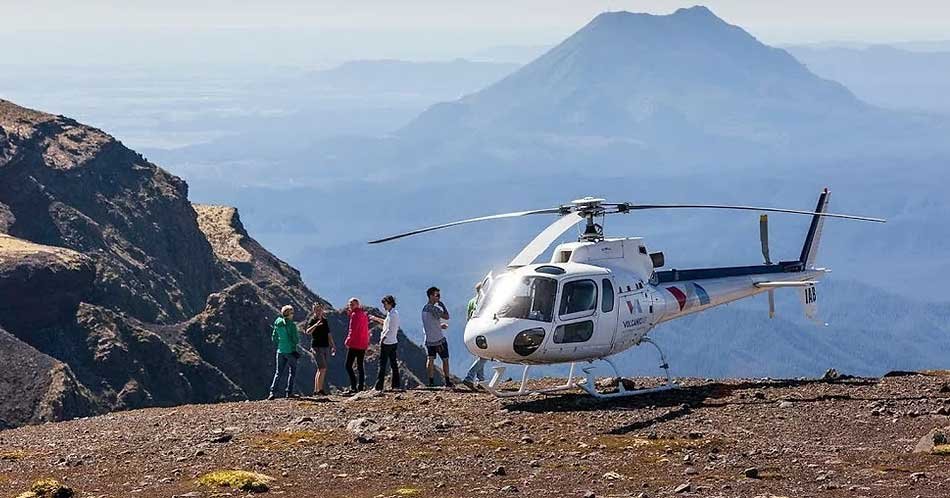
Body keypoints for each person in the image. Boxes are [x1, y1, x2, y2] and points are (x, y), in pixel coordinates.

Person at [421, 286, 452, 388]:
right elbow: (447, 316)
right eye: (437, 295)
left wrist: (439, 326)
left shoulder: (424, 309)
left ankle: (431, 381)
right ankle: (447, 381)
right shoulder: (433, 309)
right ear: (431, 296)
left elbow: (429, 324)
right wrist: (443, 306)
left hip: (429, 340)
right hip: (439, 340)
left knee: (430, 359)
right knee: (445, 359)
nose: (439, 297)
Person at [268, 305, 300, 400]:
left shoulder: (277, 323)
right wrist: (291, 344)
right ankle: (289, 392)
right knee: (292, 372)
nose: (293, 315)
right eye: (292, 313)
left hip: (280, 351)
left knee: (278, 373)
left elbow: (274, 337)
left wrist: (281, 343)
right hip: (290, 351)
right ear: (289, 314)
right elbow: (296, 340)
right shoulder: (292, 325)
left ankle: (272, 392)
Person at [369, 295, 401, 391]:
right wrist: (376, 318)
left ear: (390, 303)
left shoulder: (392, 315)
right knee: (393, 364)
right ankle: (396, 385)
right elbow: (386, 323)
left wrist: (383, 339)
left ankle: (379, 386)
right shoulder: (393, 313)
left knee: (382, 364)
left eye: (385, 304)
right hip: (393, 341)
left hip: (387, 343)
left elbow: (389, 329)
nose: (384, 306)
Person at [305, 303, 336, 396]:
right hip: (317, 347)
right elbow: (307, 331)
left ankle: (317, 390)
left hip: (325, 346)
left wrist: (333, 345)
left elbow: (328, 334)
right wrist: (316, 325)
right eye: (316, 309)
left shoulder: (325, 320)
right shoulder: (312, 320)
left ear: (322, 310)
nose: (318, 311)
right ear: (313, 310)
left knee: (321, 369)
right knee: (322, 368)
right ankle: (319, 390)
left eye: (320, 309)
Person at [463, 282, 488, 390]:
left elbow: (468, 317)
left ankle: (481, 380)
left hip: (472, 330)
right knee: (485, 355)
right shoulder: (483, 301)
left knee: (480, 355)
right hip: (482, 330)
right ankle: (469, 377)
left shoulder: (471, 301)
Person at [343, 297, 369, 394]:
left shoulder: (354, 315)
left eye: (352, 304)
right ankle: (361, 386)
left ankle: (353, 386)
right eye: (350, 304)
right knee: (360, 366)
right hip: (362, 344)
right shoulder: (364, 315)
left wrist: (348, 341)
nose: (350, 306)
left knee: (348, 365)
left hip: (355, 344)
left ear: (357, 305)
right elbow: (366, 330)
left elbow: (352, 330)